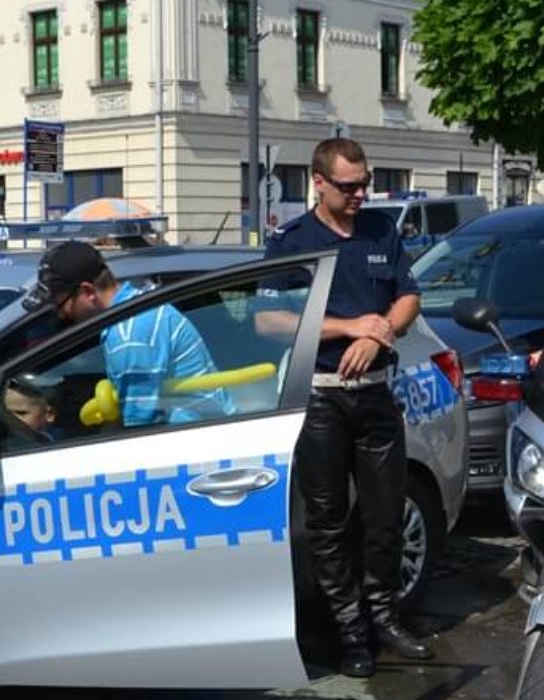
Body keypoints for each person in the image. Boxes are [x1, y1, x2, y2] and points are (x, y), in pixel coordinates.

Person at [257, 137, 429, 677]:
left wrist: (379, 335)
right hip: (321, 396)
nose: (360, 194)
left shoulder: (379, 230)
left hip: (376, 391)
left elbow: (407, 295)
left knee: (384, 518)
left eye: (365, 184)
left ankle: (385, 618)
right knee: (329, 524)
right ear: (319, 182)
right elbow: (268, 322)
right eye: (349, 186)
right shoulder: (293, 242)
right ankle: (351, 634)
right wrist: (350, 326)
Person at [22, 241, 235, 427]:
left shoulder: (130, 337)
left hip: (192, 445)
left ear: (87, 292)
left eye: (60, 304)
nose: (59, 314)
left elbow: (140, 431)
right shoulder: (134, 309)